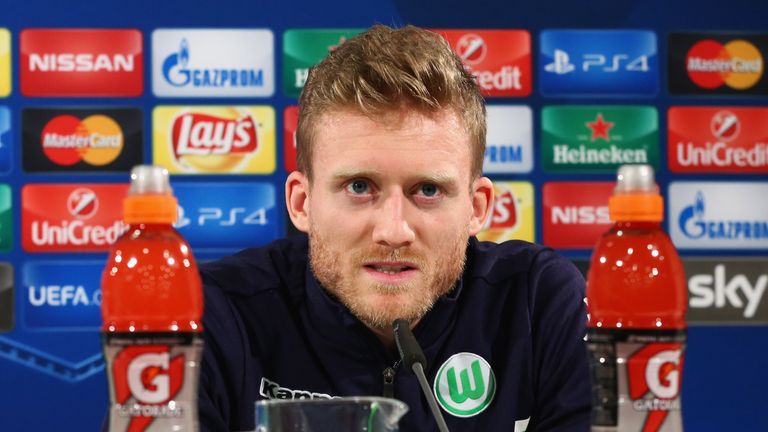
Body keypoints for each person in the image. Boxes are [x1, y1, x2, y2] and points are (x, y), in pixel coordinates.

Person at [199, 24, 591, 431]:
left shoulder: (537, 305)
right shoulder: (218, 316)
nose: (394, 230)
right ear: (302, 202)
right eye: (359, 187)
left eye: (427, 189)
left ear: (477, 208)